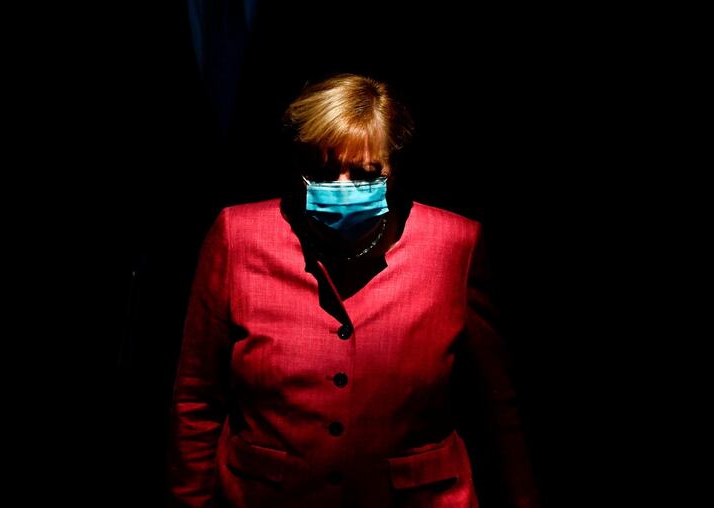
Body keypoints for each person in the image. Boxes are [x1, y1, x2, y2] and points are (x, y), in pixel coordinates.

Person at [168, 73, 540, 507]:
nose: (343, 187)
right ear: (298, 165)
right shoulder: (238, 236)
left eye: (365, 173)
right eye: (324, 171)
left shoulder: (455, 245)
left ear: (394, 167)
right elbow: (196, 396)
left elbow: (499, 404)